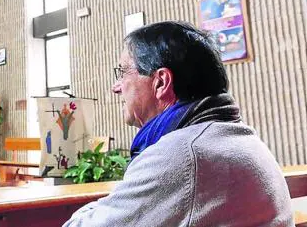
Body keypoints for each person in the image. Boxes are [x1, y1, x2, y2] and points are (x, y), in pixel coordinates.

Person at [63, 21, 292, 226]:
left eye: (123, 72)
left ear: (161, 82)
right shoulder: (240, 138)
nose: (116, 87)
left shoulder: (182, 155)